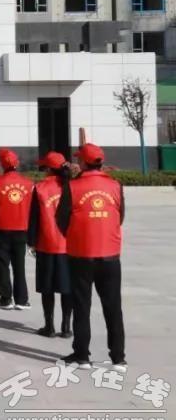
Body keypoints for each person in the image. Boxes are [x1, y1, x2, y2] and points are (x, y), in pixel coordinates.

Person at [56, 143, 126, 370]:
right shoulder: (115, 186)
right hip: (110, 255)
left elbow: (61, 220)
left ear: (84, 163)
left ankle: (82, 355)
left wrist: (78, 234)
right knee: (113, 306)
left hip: (81, 254)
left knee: (81, 305)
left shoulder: (73, 187)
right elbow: (120, 216)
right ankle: (118, 357)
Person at [29, 152, 73, 339]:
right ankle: (66, 326)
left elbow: (34, 219)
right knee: (67, 287)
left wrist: (31, 242)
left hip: (46, 244)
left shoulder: (40, 188)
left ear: (48, 169)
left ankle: (49, 326)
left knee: (47, 288)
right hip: (69, 245)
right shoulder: (71, 187)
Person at [0, 149, 34, 310]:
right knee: (19, 265)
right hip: (21, 228)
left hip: (1, 228)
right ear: (17, 164)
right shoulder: (28, 184)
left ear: (2, 164)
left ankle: (5, 298)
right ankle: (22, 299)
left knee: (3, 264)